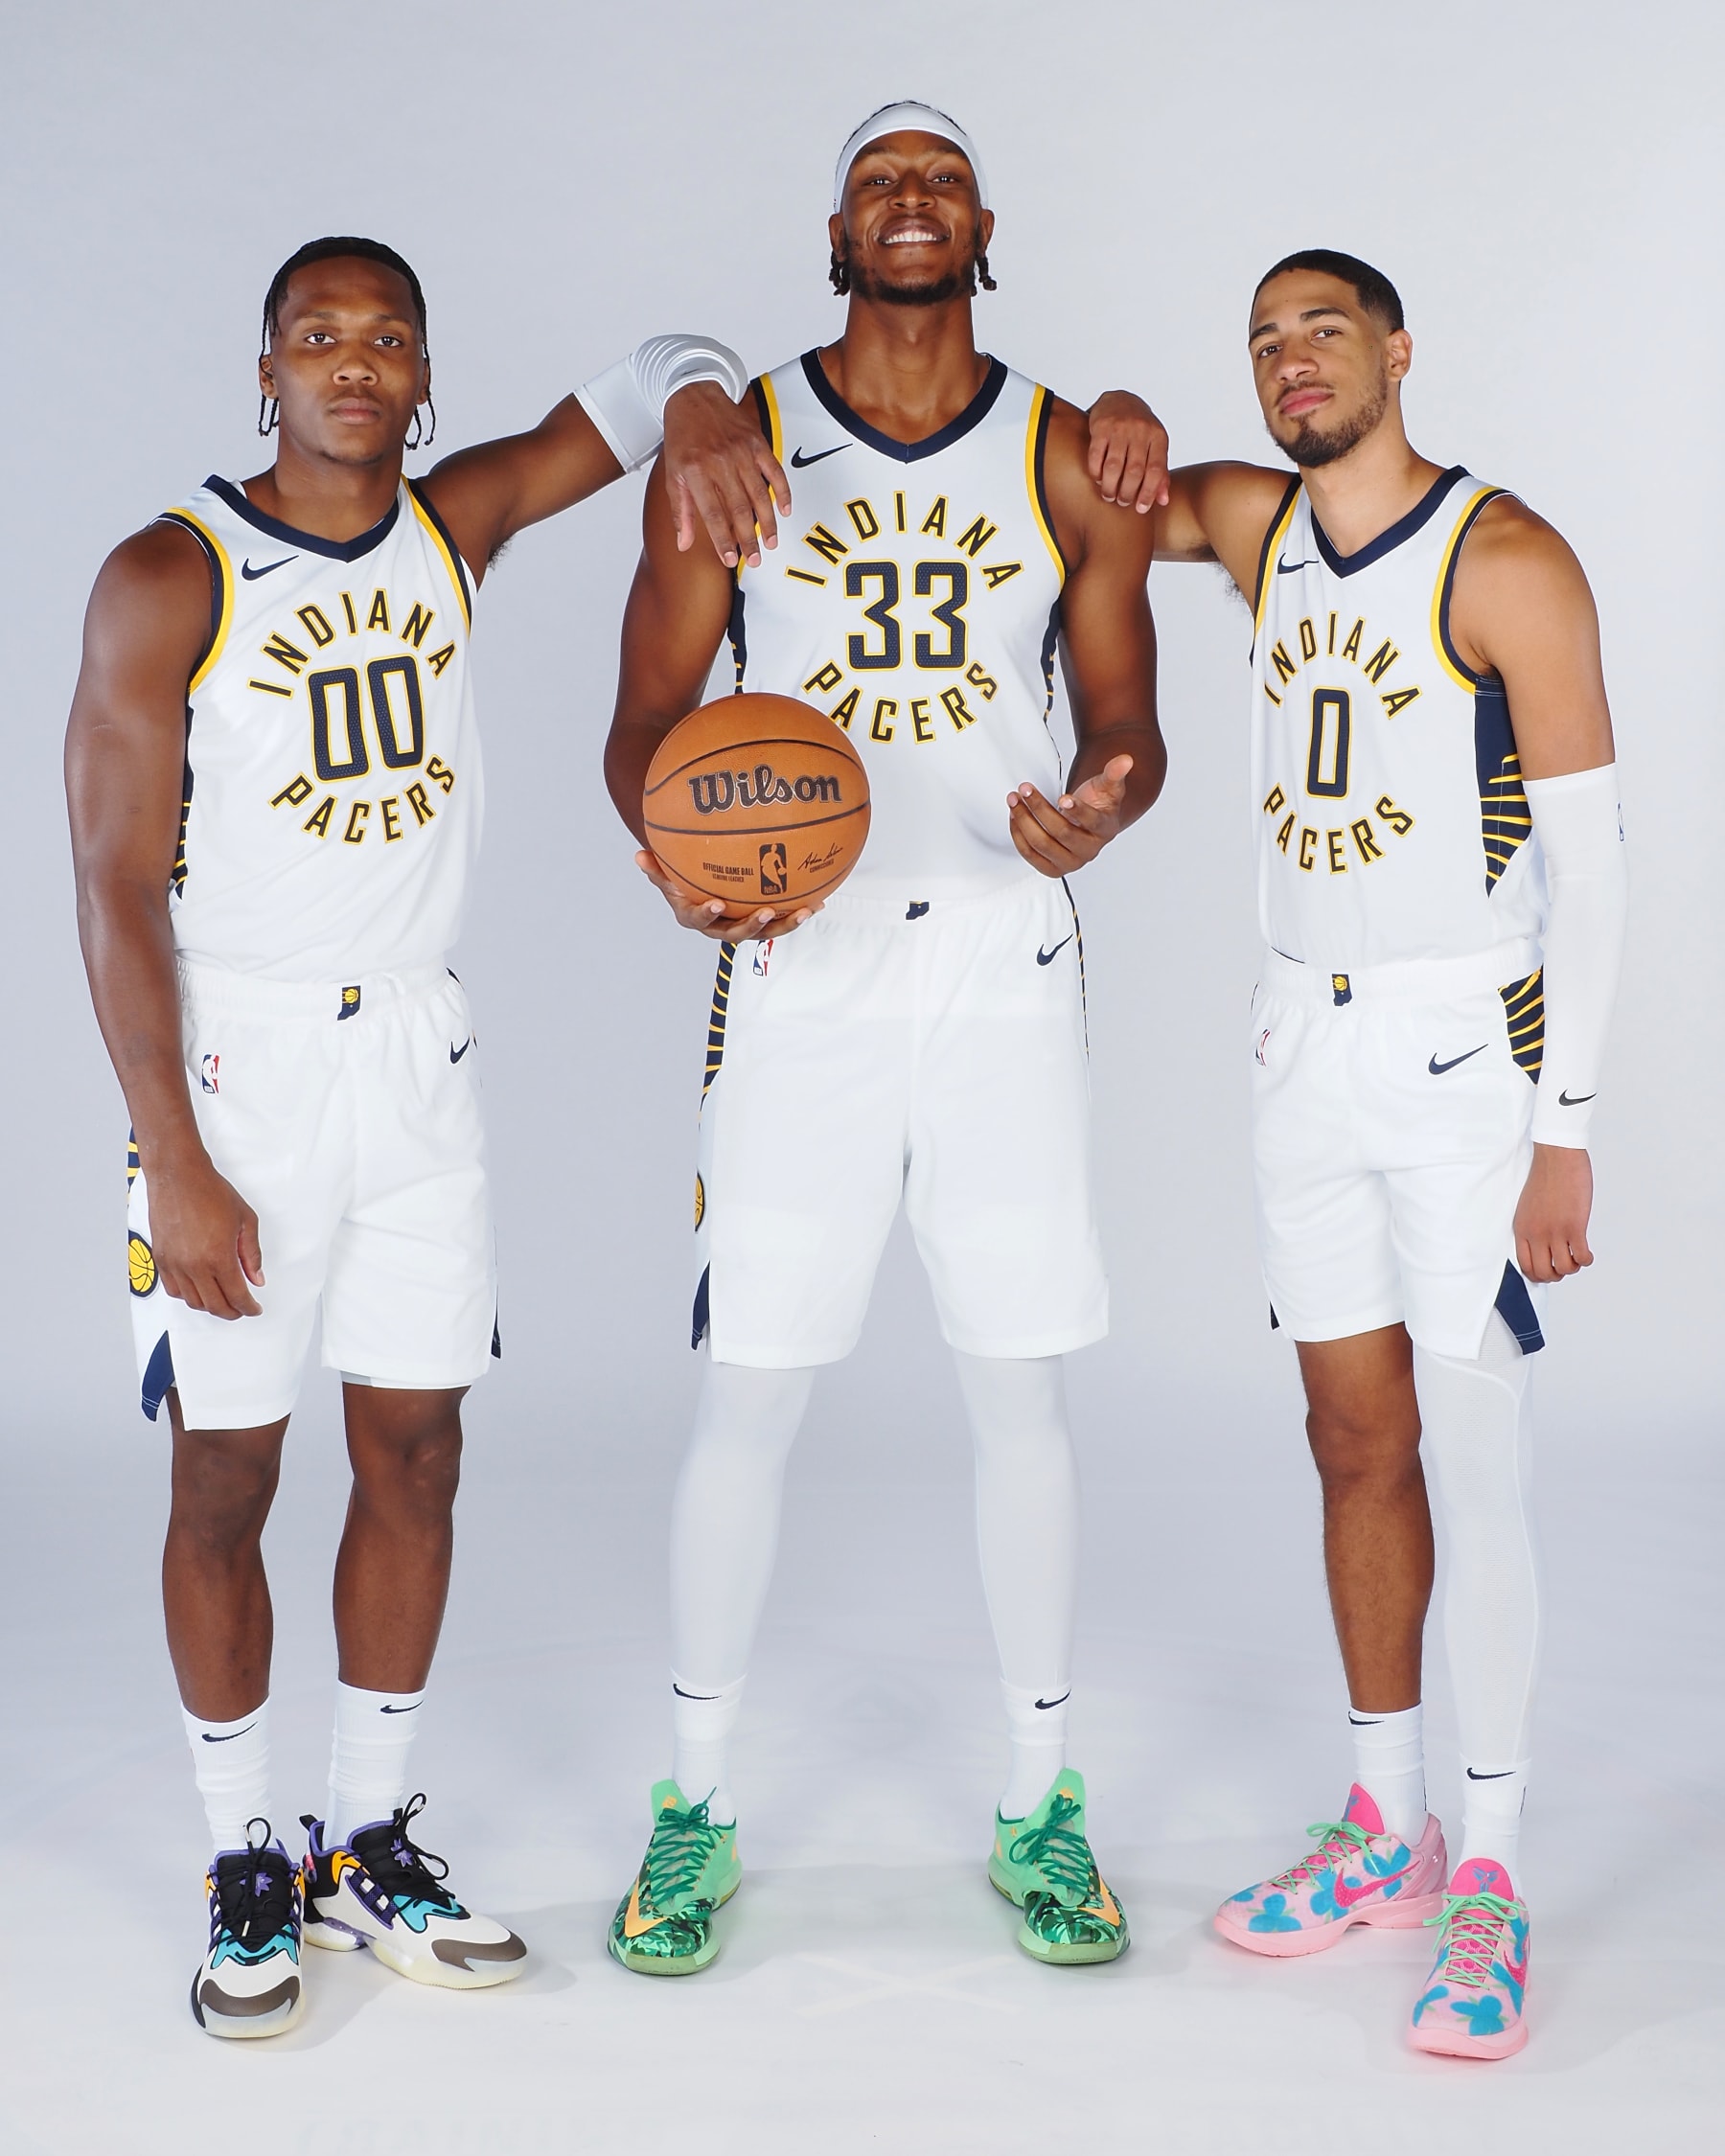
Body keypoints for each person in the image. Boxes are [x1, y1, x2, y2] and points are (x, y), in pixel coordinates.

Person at [64, 233, 793, 2038]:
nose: (355, 363)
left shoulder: (453, 527)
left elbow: (652, 366)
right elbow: (105, 882)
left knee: (415, 1456)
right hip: (234, 1072)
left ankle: (365, 1834)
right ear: (265, 372)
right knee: (226, 1476)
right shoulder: (172, 573)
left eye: (387, 336)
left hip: (416, 1056)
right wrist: (172, 1148)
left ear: (420, 370)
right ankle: (244, 1851)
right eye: (318, 336)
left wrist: (702, 404)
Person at [601, 103, 1168, 1978]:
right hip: (803, 973)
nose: (911, 205)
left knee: (1023, 1388)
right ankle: (690, 1810)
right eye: (879, 184)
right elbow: (644, 725)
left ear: (984, 223)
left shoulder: (1068, 452)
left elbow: (1130, 724)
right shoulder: (739, 443)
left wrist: (1103, 802)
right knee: (747, 1389)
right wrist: (680, 865)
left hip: (1002, 955)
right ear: (834, 227)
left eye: (939, 181)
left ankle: (1040, 1804)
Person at [1151, 249, 1626, 2058]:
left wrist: (1562, 1134)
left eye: (1322, 329)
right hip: (1300, 1038)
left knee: (1476, 1452)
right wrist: (1125, 429)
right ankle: (1386, 1822)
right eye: (1262, 338)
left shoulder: (1507, 556)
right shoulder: (1265, 532)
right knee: (1351, 1434)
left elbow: (1598, 872)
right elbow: (1142, 485)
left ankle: (1491, 1871)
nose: (1289, 360)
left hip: (1460, 1053)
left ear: (1400, 350)